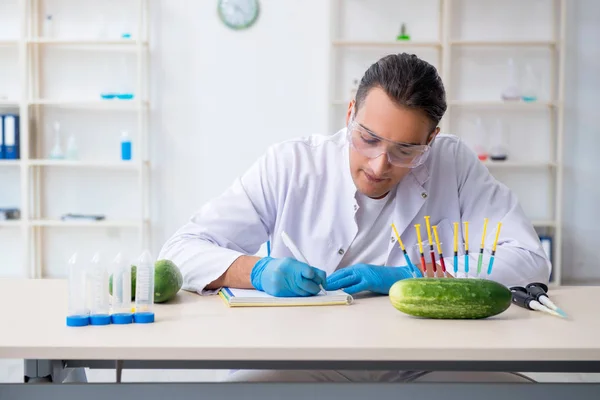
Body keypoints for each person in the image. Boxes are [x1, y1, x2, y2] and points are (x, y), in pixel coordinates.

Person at [158, 53, 550, 383]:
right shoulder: (292, 164)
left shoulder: (453, 163)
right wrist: (256, 270)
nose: (380, 164)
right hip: (302, 355)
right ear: (350, 114)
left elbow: (530, 261)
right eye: (369, 139)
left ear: (430, 140)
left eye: (405, 150)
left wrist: (422, 278)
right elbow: (180, 252)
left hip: (427, 358)